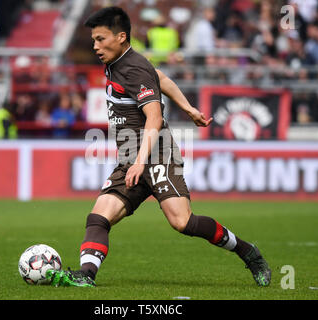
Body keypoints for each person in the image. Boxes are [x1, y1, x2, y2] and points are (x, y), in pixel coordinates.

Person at [46, 7, 271, 288]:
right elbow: (160, 77)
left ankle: (248, 252)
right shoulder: (119, 61)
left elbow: (155, 118)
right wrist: (188, 107)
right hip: (132, 156)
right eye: (93, 40)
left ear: (121, 37)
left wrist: (140, 162)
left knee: (182, 222)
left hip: (157, 154)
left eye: (100, 39)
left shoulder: (133, 67)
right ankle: (86, 276)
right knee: (98, 216)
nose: (95, 46)